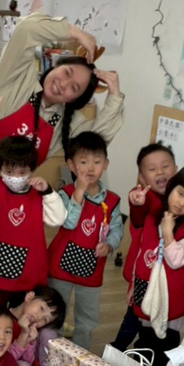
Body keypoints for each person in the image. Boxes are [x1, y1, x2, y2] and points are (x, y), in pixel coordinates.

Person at [0, 11, 123, 204]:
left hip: (1, 205)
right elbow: (25, 30)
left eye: (74, 88)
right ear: (56, 66)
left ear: (75, 100)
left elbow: (98, 139)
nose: (63, 84)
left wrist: (115, 95)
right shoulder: (18, 78)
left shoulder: (63, 124)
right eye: (66, 72)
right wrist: (74, 32)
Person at [0, 94, 68, 308]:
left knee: (22, 316)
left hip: (27, 276)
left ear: (32, 169)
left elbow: (58, 219)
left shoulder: (38, 193)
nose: (15, 176)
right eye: (9, 171)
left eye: (22, 172)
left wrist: (48, 192)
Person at [118, 164, 184, 366]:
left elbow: (176, 260)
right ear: (172, 187)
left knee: (162, 346)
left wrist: (168, 233)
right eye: (180, 193)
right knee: (140, 336)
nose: (182, 203)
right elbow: (141, 254)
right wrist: (133, 285)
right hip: (144, 289)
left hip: (169, 302)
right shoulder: (154, 215)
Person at [46, 131, 123, 350]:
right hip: (59, 267)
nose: (90, 168)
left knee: (87, 318)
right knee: (55, 311)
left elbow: (116, 229)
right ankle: (52, 351)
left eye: (96, 162)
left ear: (106, 164)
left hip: (91, 271)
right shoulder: (64, 193)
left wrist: (109, 244)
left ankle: (80, 354)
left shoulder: (112, 200)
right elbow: (69, 223)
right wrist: (79, 191)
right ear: (71, 165)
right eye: (83, 162)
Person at [112, 142, 177, 340]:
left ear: (176, 169)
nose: (160, 172)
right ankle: (116, 350)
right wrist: (136, 201)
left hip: (165, 279)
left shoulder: (180, 200)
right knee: (132, 320)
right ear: (141, 177)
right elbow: (139, 211)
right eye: (152, 169)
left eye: (165, 166)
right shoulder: (145, 197)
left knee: (155, 328)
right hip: (142, 274)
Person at [6, 284, 67, 366]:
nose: (39, 317)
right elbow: (4, 361)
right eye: (41, 308)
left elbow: (29, 361)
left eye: (45, 320)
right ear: (29, 297)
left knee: (49, 333)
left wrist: (31, 342)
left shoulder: (32, 328)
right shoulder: (2, 319)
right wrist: (23, 335)